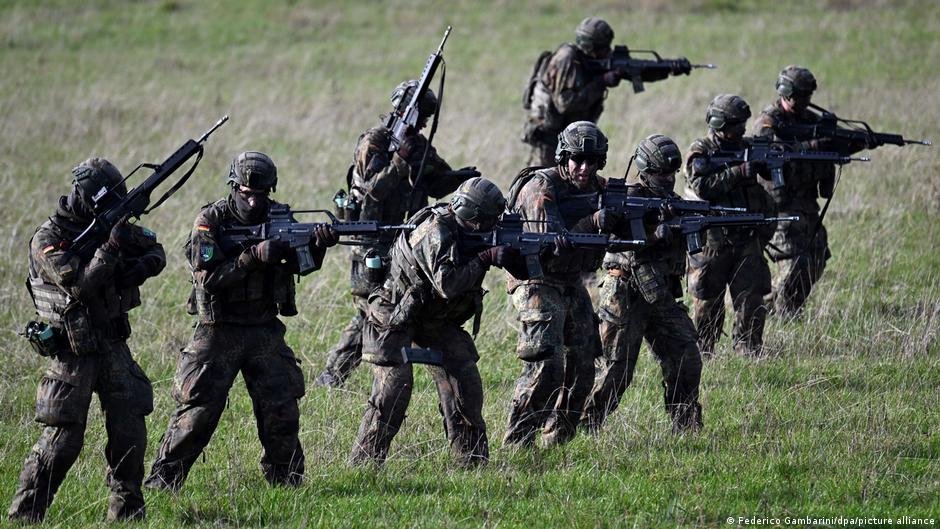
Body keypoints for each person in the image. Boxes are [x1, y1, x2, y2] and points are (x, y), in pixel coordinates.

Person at [145, 151, 337, 491]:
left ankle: (287, 483)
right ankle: (163, 482)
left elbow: (300, 265)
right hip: (219, 329)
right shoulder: (211, 220)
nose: (251, 201)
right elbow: (207, 277)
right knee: (199, 410)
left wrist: (317, 245)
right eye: (245, 193)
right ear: (234, 187)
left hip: (263, 326)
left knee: (281, 406)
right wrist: (251, 257)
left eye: (259, 195)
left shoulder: (281, 217)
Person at [9, 158, 165, 522]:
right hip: (72, 350)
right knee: (63, 441)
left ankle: (127, 513)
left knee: (130, 427)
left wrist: (136, 267)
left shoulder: (109, 226)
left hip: (112, 343)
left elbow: (156, 251)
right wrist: (110, 249)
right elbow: (78, 284)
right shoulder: (47, 238)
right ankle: (25, 515)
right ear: (85, 198)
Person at [316, 80, 477, 388]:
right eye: (421, 115)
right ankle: (333, 374)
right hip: (372, 239)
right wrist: (399, 161)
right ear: (403, 110)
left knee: (404, 305)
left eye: (428, 117)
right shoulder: (375, 142)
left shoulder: (418, 145)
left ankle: (412, 362)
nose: (424, 123)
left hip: (406, 241)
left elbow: (436, 183)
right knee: (369, 308)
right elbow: (371, 193)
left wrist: (460, 179)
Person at [349, 177, 518, 467]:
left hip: (433, 316)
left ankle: (472, 461)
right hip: (394, 309)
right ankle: (364, 464)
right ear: (473, 219)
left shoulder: (474, 229)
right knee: (395, 385)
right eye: (488, 223)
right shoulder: (436, 230)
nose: (493, 229)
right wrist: (485, 257)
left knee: (465, 376)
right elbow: (448, 284)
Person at [504, 121, 621, 448]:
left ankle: (557, 441)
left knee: (584, 367)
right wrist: (596, 221)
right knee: (547, 367)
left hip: (569, 281)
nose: (584, 168)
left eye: (592, 161)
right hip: (536, 279)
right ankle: (519, 442)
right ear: (563, 156)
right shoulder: (540, 188)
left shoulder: (600, 188)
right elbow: (554, 242)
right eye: (576, 160)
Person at [581, 135, 703, 433]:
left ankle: (685, 425)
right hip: (624, 293)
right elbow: (615, 241)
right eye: (662, 173)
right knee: (616, 369)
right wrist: (654, 233)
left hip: (660, 293)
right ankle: (584, 425)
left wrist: (685, 227)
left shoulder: (672, 204)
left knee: (686, 354)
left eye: (672, 173)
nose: (668, 179)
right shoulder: (625, 200)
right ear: (646, 170)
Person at [753, 65, 866, 317]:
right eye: (801, 95)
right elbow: (772, 150)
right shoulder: (768, 121)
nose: (806, 101)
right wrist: (815, 144)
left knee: (817, 256)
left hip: (806, 203)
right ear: (787, 93)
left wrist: (858, 141)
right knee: (794, 262)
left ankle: (772, 305)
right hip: (778, 205)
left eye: (808, 95)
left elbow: (833, 145)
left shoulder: (811, 120)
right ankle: (785, 313)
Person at [685, 94, 777, 357]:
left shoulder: (748, 148)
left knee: (752, 296)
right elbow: (702, 187)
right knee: (708, 300)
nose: (742, 129)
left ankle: (748, 350)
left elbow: (772, 177)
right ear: (719, 123)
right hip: (713, 239)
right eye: (736, 124)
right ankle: (704, 351)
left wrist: (770, 163)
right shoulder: (700, 152)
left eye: (743, 124)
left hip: (746, 235)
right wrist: (740, 171)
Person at [522, 17, 621, 167]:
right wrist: (601, 82)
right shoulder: (566, 59)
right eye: (603, 48)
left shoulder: (585, 60)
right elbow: (564, 103)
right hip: (548, 138)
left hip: (565, 139)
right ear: (590, 46)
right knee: (542, 182)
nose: (608, 52)